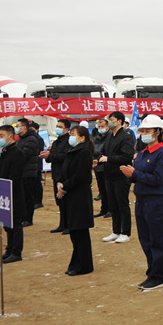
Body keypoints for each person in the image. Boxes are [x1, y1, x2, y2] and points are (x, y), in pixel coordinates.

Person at [119, 115, 163, 291]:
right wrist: (129, 174)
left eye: (147, 131)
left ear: (157, 133)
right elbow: (139, 176)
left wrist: (134, 174)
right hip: (141, 200)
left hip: (155, 202)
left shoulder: (162, 154)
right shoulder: (141, 154)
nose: (143, 134)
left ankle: (158, 276)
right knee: (145, 240)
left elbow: (158, 179)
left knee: (156, 240)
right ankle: (152, 272)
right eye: (142, 131)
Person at [57, 125, 96, 276]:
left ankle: (85, 265)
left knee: (80, 231)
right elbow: (64, 171)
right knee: (73, 231)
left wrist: (64, 187)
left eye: (74, 134)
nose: (71, 136)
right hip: (70, 195)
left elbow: (80, 176)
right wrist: (60, 183)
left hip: (79, 196)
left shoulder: (84, 152)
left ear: (82, 138)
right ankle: (76, 263)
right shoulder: (72, 151)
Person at [99, 111, 135, 244]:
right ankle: (115, 231)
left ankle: (125, 232)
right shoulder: (109, 136)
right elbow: (103, 152)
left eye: (112, 119)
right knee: (112, 204)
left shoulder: (126, 136)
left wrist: (109, 159)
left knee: (122, 204)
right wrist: (100, 160)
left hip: (121, 175)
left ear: (119, 121)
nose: (109, 122)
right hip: (109, 175)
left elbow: (127, 156)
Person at [0, 126, 25, 264]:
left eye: (1, 135)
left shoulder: (17, 152)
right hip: (3, 192)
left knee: (15, 224)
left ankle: (16, 252)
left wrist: (5, 188)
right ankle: (9, 250)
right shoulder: (5, 151)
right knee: (7, 224)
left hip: (13, 193)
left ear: (10, 136)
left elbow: (15, 176)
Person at [44, 119, 72, 234]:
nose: (57, 128)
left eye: (60, 126)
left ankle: (69, 226)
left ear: (66, 129)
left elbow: (65, 156)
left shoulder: (69, 141)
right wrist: (47, 156)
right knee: (59, 201)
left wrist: (50, 156)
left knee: (66, 201)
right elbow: (54, 156)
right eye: (57, 126)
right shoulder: (56, 142)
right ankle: (62, 224)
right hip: (56, 174)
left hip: (65, 174)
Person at [13, 120, 41, 228]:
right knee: (22, 197)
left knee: (28, 197)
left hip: (28, 173)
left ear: (24, 127)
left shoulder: (31, 139)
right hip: (21, 172)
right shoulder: (21, 139)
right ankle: (23, 217)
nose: (16, 128)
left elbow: (23, 155)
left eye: (18, 126)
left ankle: (28, 219)